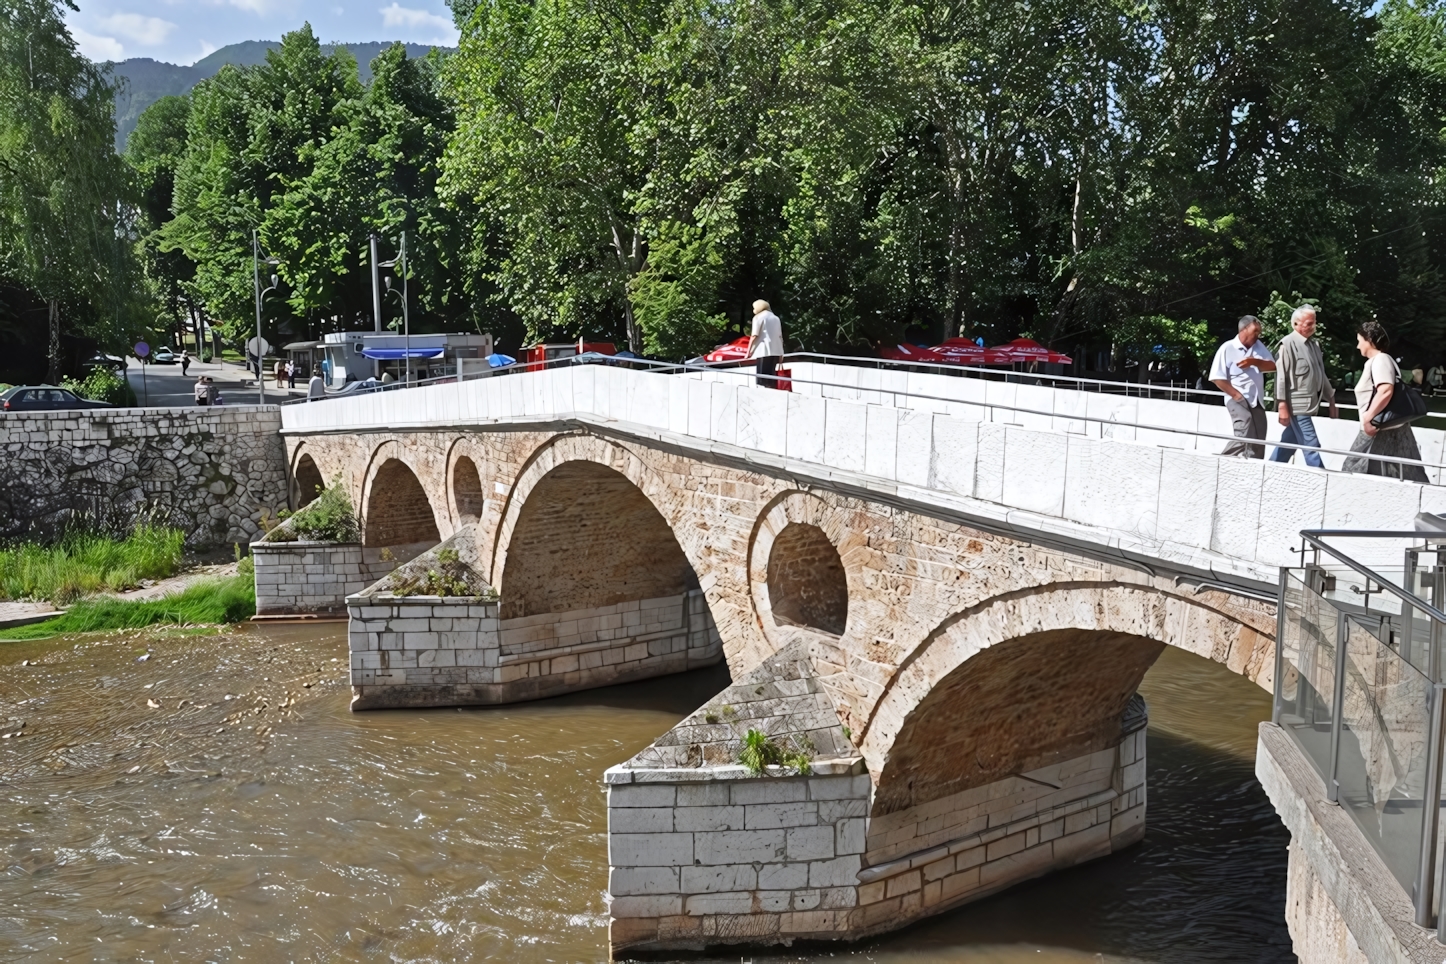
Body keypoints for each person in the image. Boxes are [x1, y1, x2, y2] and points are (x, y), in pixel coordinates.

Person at [1342, 320, 1429, 483]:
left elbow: (1385, 390)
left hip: (1378, 428)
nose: (1357, 346)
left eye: (1359, 341)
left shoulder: (1380, 360)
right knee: (1406, 474)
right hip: (1389, 428)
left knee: (1352, 470)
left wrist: (1368, 418)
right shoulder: (1380, 361)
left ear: (1369, 340)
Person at [1269, 305, 1336, 467]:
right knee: (1310, 443)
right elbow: (1281, 377)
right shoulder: (1287, 344)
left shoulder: (1314, 346)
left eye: (1314, 323)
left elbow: (1321, 375)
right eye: (1308, 323)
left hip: (1309, 403)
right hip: (1296, 405)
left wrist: (1331, 400)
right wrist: (1282, 405)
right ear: (1296, 324)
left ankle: (1270, 468)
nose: (1312, 326)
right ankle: (1321, 476)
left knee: (1289, 441)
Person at [1209, 315, 1277, 458]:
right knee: (1245, 428)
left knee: (1259, 434)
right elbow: (1217, 377)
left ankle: (1255, 466)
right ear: (1244, 329)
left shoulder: (1259, 346)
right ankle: (1222, 460)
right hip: (1237, 398)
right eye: (1255, 332)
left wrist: (1254, 362)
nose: (1258, 336)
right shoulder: (1227, 348)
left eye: (1259, 332)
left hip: (1256, 399)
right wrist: (1236, 395)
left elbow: (1272, 366)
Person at [747, 298, 783, 388]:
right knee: (771, 373)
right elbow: (780, 336)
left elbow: (754, 335)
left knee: (761, 375)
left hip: (763, 349)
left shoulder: (758, 317)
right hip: (775, 350)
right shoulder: (776, 318)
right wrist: (782, 352)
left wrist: (749, 351)